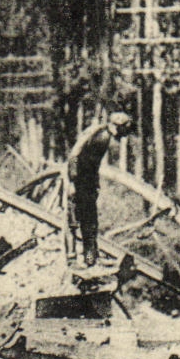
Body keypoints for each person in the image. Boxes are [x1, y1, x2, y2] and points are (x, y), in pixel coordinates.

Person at [67, 111, 133, 264]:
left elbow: (92, 164)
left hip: (86, 182)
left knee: (89, 223)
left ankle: (90, 259)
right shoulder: (99, 135)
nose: (124, 136)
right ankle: (76, 259)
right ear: (118, 127)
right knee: (77, 221)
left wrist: (94, 183)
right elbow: (75, 155)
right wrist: (72, 182)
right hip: (78, 181)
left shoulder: (104, 135)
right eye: (124, 131)